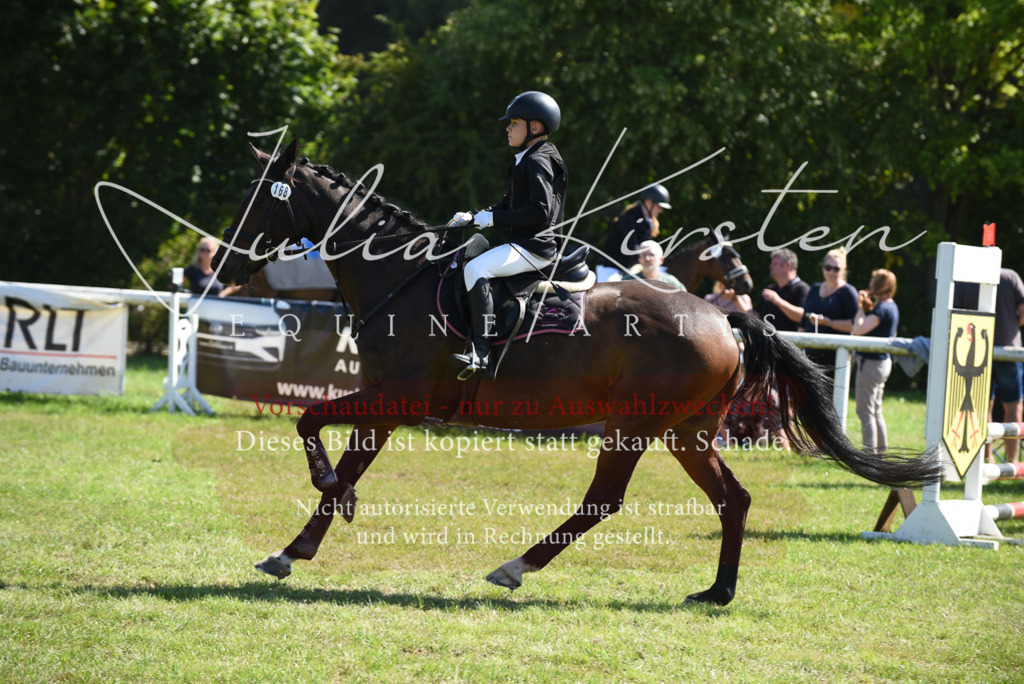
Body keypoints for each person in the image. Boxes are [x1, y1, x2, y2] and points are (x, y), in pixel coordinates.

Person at [448, 91, 567, 380]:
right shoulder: (527, 159)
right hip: (524, 243)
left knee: (476, 269)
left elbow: (540, 211)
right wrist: (475, 216)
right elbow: (508, 204)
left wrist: (493, 219)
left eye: (514, 123)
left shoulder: (539, 160)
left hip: (535, 247)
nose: (508, 128)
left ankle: (481, 352)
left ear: (534, 127)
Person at [954, 267, 1024, 463]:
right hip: (1008, 350)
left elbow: (956, 316)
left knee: (981, 406)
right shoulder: (1010, 276)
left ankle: (985, 459)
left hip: (975, 352)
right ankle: (1012, 461)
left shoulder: (964, 277)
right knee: (1013, 405)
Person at [852, 269, 899, 454]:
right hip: (883, 363)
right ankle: (880, 453)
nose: (870, 284)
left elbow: (858, 330)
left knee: (864, 411)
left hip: (871, 364)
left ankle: (869, 456)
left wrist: (860, 308)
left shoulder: (881, 309)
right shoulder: (891, 307)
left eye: (873, 281)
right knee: (875, 409)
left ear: (879, 285)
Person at [799, 247, 858, 376]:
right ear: (822, 267)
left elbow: (855, 325)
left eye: (836, 269)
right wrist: (798, 349)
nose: (831, 272)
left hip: (837, 357)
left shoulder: (848, 292)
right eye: (828, 267)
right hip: (810, 356)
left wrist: (829, 322)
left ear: (843, 270)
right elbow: (803, 322)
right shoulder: (814, 289)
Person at [596, 184, 671, 282]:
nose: (661, 210)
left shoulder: (647, 223)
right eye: (659, 206)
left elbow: (647, 248)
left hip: (629, 268)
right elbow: (632, 247)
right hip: (611, 268)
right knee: (612, 291)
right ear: (648, 203)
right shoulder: (629, 218)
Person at [753, 248, 809, 333]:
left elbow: (802, 317)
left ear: (788, 265)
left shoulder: (802, 288)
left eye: (775, 263)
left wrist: (777, 301)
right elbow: (756, 316)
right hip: (767, 340)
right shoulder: (770, 289)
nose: (770, 266)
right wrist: (737, 299)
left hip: (790, 341)